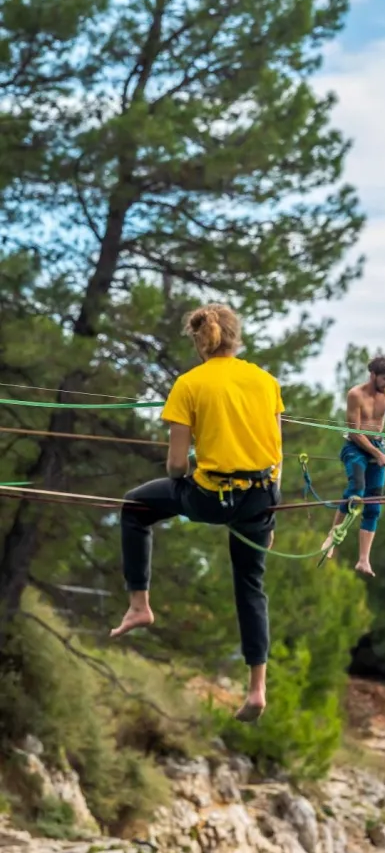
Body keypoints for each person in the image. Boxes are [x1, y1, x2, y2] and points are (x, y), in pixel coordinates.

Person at [110, 304, 284, 724]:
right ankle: (257, 688)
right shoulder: (265, 381)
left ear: (199, 340)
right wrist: (272, 511)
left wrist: (189, 466)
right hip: (262, 496)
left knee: (135, 506)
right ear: (236, 336)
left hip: (212, 497)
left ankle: (139, 604)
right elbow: (275, 453)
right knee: (250, 584)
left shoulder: (188, 384)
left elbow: (175, 468)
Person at [322, 354, 385, 577]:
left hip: (378, 447)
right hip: (355, 447)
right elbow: (356, 433)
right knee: (356, 490)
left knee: (373, 504)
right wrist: (377, 454)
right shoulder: (355, 395)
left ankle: (364, 560)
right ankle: (332, 538)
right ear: (373, 375)